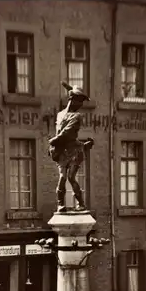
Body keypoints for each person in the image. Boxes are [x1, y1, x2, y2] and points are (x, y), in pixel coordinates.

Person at [48, 82, 94, 213]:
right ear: (72, 99)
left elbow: (67, 133)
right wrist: (54, 148)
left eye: (82, 102)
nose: (81, 105)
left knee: (71, 177)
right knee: (62, 177)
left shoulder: (77, 117)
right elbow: (61, 133)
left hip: (74, 152)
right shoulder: (60, 114)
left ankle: (81, 204)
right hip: (62, 151)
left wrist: (53, 141)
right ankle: (60, 205)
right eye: (79, 101)